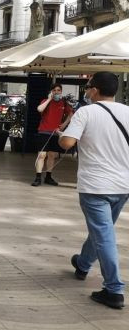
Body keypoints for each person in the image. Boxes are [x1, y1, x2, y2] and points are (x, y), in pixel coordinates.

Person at [59, 72, 129, 309]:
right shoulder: (127, 111)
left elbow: (68, 143)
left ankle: (114, 289)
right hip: (123, 185)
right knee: (102, 230)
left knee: (105, 235)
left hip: (95, 185)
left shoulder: (86, 112)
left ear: (96, 90)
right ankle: (83, 263)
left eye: (88, 87)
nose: (86, 91)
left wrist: (62, 137)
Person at [31, 83, 73, 187]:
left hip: (55, 132)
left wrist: (64, 124)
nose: (57, 92)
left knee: (52, 156)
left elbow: (71, 114)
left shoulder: (64, 103)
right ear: (51, 92)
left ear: (61, 92)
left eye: (58, 90)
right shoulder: (46, 101)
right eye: (54, 90)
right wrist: (49, 99)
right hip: (44, 131)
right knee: (41, 155)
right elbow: (39, 109)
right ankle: (38, 177)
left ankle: (48, 177)